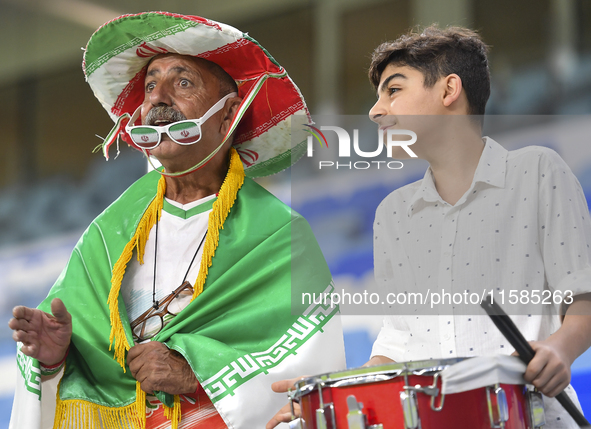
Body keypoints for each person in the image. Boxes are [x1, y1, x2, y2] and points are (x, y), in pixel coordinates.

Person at [8, 12, 345, 429]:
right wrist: (55, 359)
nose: (157, 98)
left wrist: (193, 373)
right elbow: (79, 369)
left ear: (229, 114)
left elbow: (312, 377)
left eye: (182, 82)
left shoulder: (279, 234)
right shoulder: (107, 233)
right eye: (150, 85)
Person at [268, 25, 591, 428]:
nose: (375, 110)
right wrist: (330, 394)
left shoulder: (539, 171)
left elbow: (583, 293)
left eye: (394, 90)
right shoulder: (392, 214)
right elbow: (398, 343)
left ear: (449, 89)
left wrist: (559, 350)